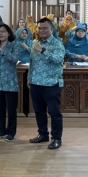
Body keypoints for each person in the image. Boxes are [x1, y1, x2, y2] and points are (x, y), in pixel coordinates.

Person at [28, 17, 66, 150]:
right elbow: (32, 63)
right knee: (39, 111)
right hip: (35, 82)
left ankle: (56, 138)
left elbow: (58, 59)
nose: (42, 30)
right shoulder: (35, 43)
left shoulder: (57, 43)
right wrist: (29, 78)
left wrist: (43, 50)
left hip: (51, 83)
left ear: (51, 29)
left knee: (54, 112)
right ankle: (43, 134)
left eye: (45, 28)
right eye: (39, 28)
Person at [0, 24, 21, 141]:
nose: (0, 34)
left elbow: (14, 59)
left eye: (3, 31)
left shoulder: (14, 45)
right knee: (0, 109)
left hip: (10, 83)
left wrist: (2, 51)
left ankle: (11, 132)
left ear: (8, 33)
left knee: (11, 110)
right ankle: (1, 130)